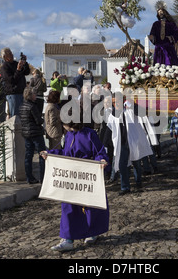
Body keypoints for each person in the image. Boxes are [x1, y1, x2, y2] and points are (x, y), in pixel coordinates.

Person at [41, 102, 110, 252]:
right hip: (71, 178)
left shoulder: (90, 134)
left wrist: (102, 161)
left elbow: (100, 153)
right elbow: (66, 154)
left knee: (91, 207)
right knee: (69, 207)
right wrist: (50, 154)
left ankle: (92, 232)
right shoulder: (69, 135)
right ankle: (68, 239)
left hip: (87, 177)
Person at [106, 95, 153, 195]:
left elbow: (142, 113)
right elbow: (110, 129)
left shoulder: (130, 110)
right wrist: (105, 143)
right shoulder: (112, 115)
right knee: (122, 165)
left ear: (122, 101)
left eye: (117, 101)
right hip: (121, 144)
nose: (116, 104)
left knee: (136, 164)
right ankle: (125, 187)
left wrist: (133, 104)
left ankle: (138, 183)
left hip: (133, 141)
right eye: (114, 102)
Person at [19, 87, 46, 184]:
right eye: (34, 94)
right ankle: (43, 177)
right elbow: (38, 120)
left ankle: (29, 177)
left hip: (26, 134)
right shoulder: (32, 106)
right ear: (30, 95)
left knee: (28, 155)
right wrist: (42, 120)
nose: (36, 95)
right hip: (36, 133)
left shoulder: (22, 106)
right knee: (42, 154)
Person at [0, 48, 31, 118]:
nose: (12, 54)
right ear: (5, 57)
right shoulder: (4, 67)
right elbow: (11, 80)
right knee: (16, 117)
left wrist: (25, 63)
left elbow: (26, 72)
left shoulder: (16, 63)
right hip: (13, 94)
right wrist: (18, 69)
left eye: (11, 53)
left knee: (23, 116)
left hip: (22, 92)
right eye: (9, 53)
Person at [148, 1, 178, 66]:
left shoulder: (171, 24)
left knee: (170, 63)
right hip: (159, 48)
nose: (160, 13)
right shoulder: (155, 24)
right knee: (158, 64)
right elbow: (152, 33)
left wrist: (171, 38)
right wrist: (152, 37)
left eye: (162, 12)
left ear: (165, 13)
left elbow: (177, 33)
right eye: (159, 12)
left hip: (168, 47)